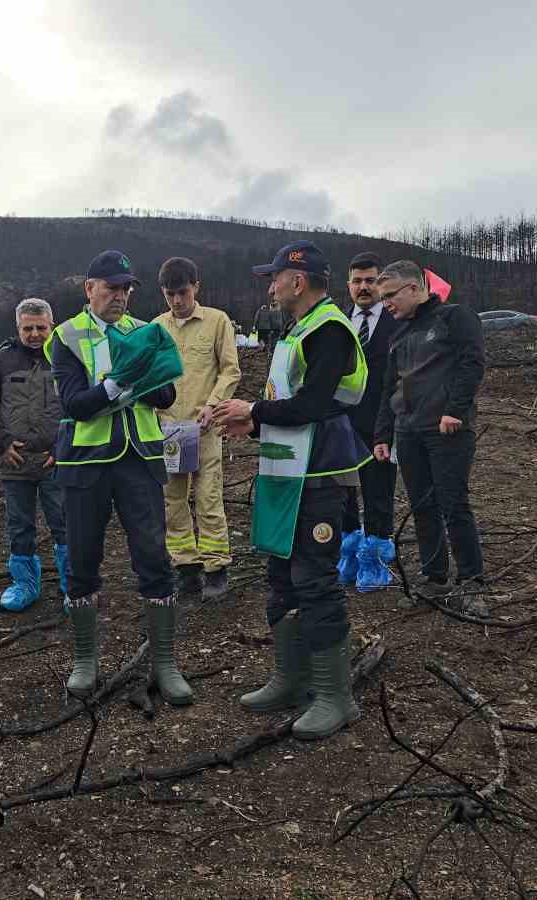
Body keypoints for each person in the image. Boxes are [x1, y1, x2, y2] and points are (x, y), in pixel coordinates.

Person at [211, 241, 369, 740]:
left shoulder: (329, 331)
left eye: (274, 277)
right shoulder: (296, 329)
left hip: (320, 473)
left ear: (296, 281)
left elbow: (313, 404)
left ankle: (334, 695)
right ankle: (291, 676)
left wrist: (251, 413)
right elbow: (287, 403)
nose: (270, 285)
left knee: (314, 579)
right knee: (281, 572)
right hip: (285, 471)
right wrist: (253, 424)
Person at [48, 250, 189, 705]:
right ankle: (85, 659)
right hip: (86, 462)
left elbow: (166, 393)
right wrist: (121, 383)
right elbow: (74, 403)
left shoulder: (144, 332)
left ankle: (165, 664)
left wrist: (139, 383)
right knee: (83, 558)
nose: (120, 296)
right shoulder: (65, 336)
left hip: (139, 459)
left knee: (153, 555)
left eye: (127, 288)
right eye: (111, 287)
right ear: (89, 288)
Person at [372, 260, 488, 613]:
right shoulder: (399, 334)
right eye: (382, 298)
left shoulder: (454, 318)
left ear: (414, 288)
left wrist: (454, 409)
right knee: (423, 506)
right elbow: (390, 387)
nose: (386, 304)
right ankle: (434, 577)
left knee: (453, 504)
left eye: (391, 295)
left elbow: (473, 363)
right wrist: (383, 433)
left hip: (447, 430)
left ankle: (472, 582)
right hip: (409, 432)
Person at [152, 257, 240, 599]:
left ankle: (216, 567)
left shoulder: (217, 322)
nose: (177, 300)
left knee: (208, 497)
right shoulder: (157, 328)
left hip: (205, 429)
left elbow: (230, 370)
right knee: (172, 499)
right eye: (171, 294)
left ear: (196, 287)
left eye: (183, 292)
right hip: (170, 430)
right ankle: (186, 567)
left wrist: (213, 405)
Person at [0, 298, 68, 611]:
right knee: (19, 525)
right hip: (14, 462)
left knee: (65, 523)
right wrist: (0, 443)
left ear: (51, 325)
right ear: (18, 328)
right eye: (28, 328)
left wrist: (63, 446)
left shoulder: (64, 356)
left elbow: (78, 405)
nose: (35, 334)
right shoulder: (1, 361)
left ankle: (75, 585)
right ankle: (25, 585)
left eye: (41, 327)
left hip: (56, 460)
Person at [336, 253, 404, 593]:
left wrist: (391, 424)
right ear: (348, 285)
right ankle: (348, 550)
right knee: (344, 492)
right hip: (341, 423)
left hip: (382, 422)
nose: (364, 287)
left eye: (371, 281)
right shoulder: (337, 321)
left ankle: (376, 557)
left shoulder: (398, 322)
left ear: (381, 284)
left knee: (379, 490)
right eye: (357, 281)